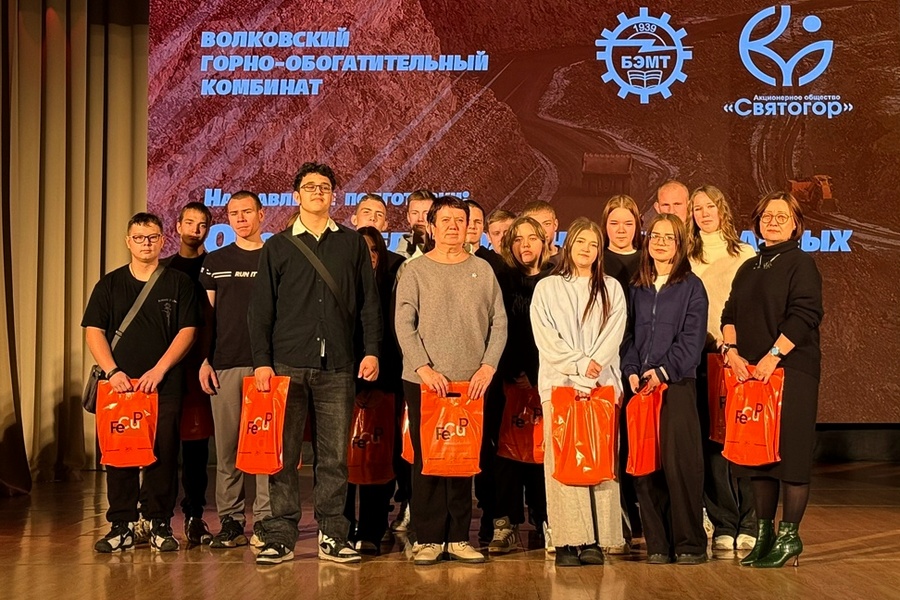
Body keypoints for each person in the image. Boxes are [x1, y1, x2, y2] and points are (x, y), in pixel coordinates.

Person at [248, 162, 383, 565]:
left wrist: (371, 350)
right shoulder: (277, 246)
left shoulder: (351, 243)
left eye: (324, 187)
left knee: (334, 458)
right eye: (310, 187)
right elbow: (261, 310)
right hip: (287, 364)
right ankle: (280, 535)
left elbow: (369, 303)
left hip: (338, 363)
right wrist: (262, 362)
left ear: (333, 195)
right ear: (296, 196)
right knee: (284, 456)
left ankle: (333, 534)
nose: (318, 193)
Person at [394, 196, 507, 566]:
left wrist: (488, 367)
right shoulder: (415, 270)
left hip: (471, 383)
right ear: (431, 226)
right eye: (445, 220)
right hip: (424, 381)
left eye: (461, 220)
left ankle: (458, 537)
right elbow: (403, 324)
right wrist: (424, 368)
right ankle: (427, 538)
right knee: (426, 460)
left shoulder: (483, 270)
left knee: (462, 460)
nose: (454, 227)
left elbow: (499, 322)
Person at [82, 212, 199, 553]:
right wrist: (113, 372)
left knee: (163, 454)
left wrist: (160, 370)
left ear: (163, 240)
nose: (146, 243)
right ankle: (121, 524)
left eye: (152, 237)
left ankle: (159, 521)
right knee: (119, 455)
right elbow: (94, 331)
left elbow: (188, 331)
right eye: (139, 238)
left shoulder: (179, 283)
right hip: (120, 386)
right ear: (128, 241)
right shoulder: (109, 284)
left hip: (163, 383)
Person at [721, 192, 823, 568]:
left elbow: (805, 314)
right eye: (767, 216)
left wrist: (773, 356)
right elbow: (729, 313)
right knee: (759, 459)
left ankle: (789, 537)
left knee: (791, 456)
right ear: (757, 222)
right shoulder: (749, 266)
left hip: (791, 372)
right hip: (752, 375)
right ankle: (764, 537)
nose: (773, 222)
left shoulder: (801, 263)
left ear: (795, 225)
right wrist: (731, 352)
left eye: (782, 217)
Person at [530, 217, 627, 567]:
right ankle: (568, 540)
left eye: (594, 244)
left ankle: (597, 540)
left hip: (601, 387)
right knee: (563, 464)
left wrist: (591, 372)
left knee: (600, 462)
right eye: (581, 242)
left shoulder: (611, 288)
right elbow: (546, 338)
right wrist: (578, 366)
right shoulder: (548, 288)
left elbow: (614, 334)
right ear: (569, 244)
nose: (587, 249)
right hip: (560, 386)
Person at [622, 213, 709, 565]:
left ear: (680, 244)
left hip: (676, 385)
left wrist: (663, 371)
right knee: (645, 468)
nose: (660, 243)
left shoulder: (692, 287)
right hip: (641, 388)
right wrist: (631, 370)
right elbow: (627, 334)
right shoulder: (636, 286)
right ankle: (658, 544)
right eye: (655, 236)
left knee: (680, 466)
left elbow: (693, 340)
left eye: (668, 237)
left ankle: (689, 544)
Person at [687, 185, 758, 558]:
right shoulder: (686, 256)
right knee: (711, 444)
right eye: (697, 208)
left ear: (722, 209)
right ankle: (724, 522)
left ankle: (750, 522)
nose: (704, 213)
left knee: (743, 439)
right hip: (700, 358)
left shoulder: (745, 253)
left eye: (710, 206)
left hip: (738, 358)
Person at [198, 191, 271, 548]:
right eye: (233, 213)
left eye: (247, 212)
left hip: (268, 367)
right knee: (227, 450)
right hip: (225, 364)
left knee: (267, 450)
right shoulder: (216, 260)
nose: (240, 218)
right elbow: (206, 317)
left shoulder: (276, 256)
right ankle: (230, 520)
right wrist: (204, 360)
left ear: (261, 214)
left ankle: (268, 521)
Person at [485, 216, 553, 555]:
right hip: (506, 378)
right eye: (517, 239)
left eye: (532, 238)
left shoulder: (557, 279)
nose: (525, 245)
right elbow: (496, 327)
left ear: (544, 241)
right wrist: (514, 370)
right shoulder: (500, 279)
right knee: (505, 454)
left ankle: (547, 520)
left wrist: (536, 374)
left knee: (544, 451)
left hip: (547, 379)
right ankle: (505, 524)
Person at [343, 226, 404, 553]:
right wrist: (353, 387)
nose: (368, 256)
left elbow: (396, 342)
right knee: (342, 462)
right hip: (344, 388)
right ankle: (341, 528)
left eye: (373, 250)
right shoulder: (341, 288)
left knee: (379, 462)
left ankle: (372, 529)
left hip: (385, 387)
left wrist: (383, 386)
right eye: (361, 250)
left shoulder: (392, 288)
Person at [159, 201, 214, 547]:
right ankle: (156, 518)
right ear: (178, 226)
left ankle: (194, 515)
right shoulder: (162, 269)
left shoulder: (215, 266)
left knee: (196, 447)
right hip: (165, 368)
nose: (196, 229)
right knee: (161, 445)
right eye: (189, 222)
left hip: (201, 367)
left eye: (202, 224)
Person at [600, 194, 643, 547]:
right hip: (605, 363)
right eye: (614, 223)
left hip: (643, 362)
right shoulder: (596, 260)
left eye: (628, 223)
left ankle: (643, 514)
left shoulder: (648, 260)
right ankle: (619, 517)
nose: (621, 229)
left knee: (638, 442)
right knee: (612, 443)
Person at [395, 190, 435, 259]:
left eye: (426, 213)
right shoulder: (397, 256)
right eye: (415, 213)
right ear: (408, 217)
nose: (420, 219)